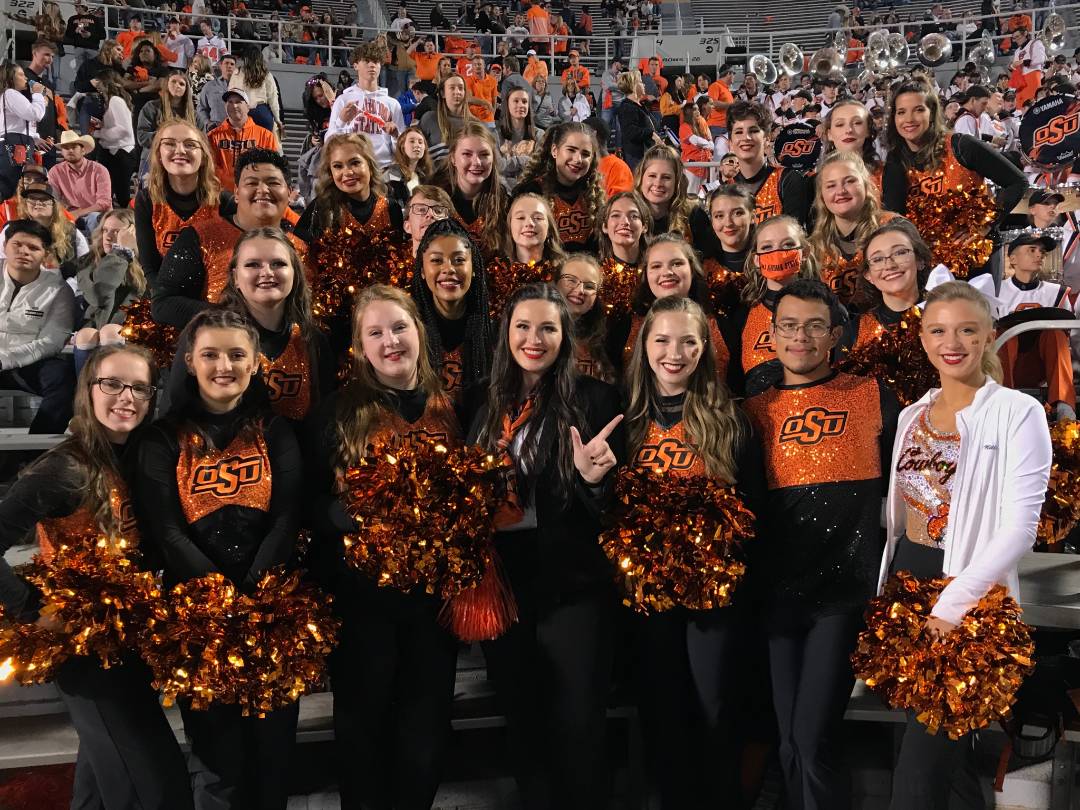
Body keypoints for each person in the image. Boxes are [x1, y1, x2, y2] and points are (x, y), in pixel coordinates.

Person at [0, 343, 195, 809]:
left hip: (125, 644)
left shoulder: (137, 457)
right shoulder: (66, 467)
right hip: (84, 654)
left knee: (101, 777)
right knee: (154, 783)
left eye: (139, 388)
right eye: (112, 384)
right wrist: (30, 609)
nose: (125, 397)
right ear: (88, 390)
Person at [882, 280, 1051, 809]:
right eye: (938, 330)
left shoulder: (1017, 412)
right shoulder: (912, 414)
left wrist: (953, 605)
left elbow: (1020, 526)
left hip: (968, 597)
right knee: (946, 760)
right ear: (923, 338)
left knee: (919, 768)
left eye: (966, 330)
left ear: (988, 337)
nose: (950, 342)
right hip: (906, 592)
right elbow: (898, 511)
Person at [135, 307, 303, 810]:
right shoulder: (162, 437)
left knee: (274, 758)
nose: (223, 365)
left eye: (236, 354)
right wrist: (222, 601)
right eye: (210, 354)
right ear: (189, 361)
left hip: (272, 614)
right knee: (217, 762)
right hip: (198, 621)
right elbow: (166, 531)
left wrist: (253, 595)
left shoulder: (276, 431)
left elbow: (287, 517)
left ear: (255, 365)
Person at [300, 284, 460, 810]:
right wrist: (357, 515)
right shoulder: (336, 414)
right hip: (362, 600)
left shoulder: (454, 404)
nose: (391, 341)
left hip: (435, 600)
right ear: (360, 346)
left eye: (400, 328)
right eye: (376, 333)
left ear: (420, 333)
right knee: (364, 728)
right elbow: (308, 505)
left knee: (426, 728)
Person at [468, 282, 624, 810]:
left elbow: (613, 508)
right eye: (523, 326)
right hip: (501, 578)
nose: (534, 339)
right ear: (505, 334)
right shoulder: (480, 401)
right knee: (523, 714)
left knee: (578, 719)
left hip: (572, 577)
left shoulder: (597, 399)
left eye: (548, 328)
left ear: (566, 336)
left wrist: (593, 480)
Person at [745, 276, 898, 810]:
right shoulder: (755, 409)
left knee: (812, 742)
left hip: (845, 595)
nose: (800, 337)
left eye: (814, 326)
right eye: (788, 325)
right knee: (787, 744)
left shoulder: (871, 394)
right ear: (774, 333)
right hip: (780, 595)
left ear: (836, 335)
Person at [622, 293, 765, 809]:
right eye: (661, 340)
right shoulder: (625, 419)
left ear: (705, 348)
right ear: (644, 347)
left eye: (687, 340)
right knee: (661, 707)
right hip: (648, 595)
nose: (674, 352)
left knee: (714, 706)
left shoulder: (732, 420)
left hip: (716, 598)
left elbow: (753, 518)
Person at [882, 81, 1028, 280]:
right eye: (901, 112)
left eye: (918, 110)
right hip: (928, 265)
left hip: (975, 259)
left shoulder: (961, 145)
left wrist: (983, 225)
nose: (909, 119)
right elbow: (896, 216)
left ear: (932, 113)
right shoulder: (895, 160)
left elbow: (1017, 182)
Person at [154, 149, 307, 328]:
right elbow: (163, 304)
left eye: (273, 183)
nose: (263, 190)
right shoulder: (200, 236)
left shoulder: (303, 244)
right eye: (251, 183)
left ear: (289, 193)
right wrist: (229, 320)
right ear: (236, 193)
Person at [216, 227, 333, 421]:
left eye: (278, 263)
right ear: (236, 277)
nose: (267, 273)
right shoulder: (209, 338)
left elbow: (325, 421)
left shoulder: (313, 340)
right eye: (253, 264)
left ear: (294, 273)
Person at [296, 133, 407, 332]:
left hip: (381, 316)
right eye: (337, 166)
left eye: (355, 163)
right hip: (334, 320)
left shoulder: (391, 208)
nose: (347, 172)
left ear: (370, 165)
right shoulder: (321, 208)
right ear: (330, 172)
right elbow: (299, 260)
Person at [607, 233, 732, 382]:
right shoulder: (624, 329)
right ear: (646, 274)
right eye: (656, 266)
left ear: (691, 269)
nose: (666, 272)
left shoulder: (723, 327)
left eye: (677, 263)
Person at [730, 215, 820, 397]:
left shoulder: (826, 309)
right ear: (756, 259)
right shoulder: (742, 315)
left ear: (805, 251)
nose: (777, 253)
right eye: (767, 247)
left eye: (787, 245)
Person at [0, 219, 76, 434]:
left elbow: (52, 342)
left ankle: (34, 455)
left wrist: (5, 359)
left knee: (63, 380)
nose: (24, 251)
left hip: (30, 362)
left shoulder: (58, 289)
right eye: (17, 245)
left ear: (45, 254)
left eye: (33, 248)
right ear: (5, 245)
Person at [408, 217, 494, 401]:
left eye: (459, 260)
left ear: (474, 268)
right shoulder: (408, 332)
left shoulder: (493, 332)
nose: (448, 269)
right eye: (437, 260)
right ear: (422, 270)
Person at [995, 231, 1077, 420]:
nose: (1039, 255)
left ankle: (1065, 406)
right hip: (1005, 366)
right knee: (1002, 333)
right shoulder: (997, 292)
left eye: (1042, 252)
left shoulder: (1057, 292)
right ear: (1013, 258)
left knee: (1055, 333)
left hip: (1043, 366)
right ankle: (1001, 403)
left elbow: (1068, 340)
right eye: (1032, 250)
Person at [133, 120, 221, 287]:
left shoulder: (223, 202)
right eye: (170, 144)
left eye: (190, 145)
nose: (180, 151)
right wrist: (165, 302)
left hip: (213, 300)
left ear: (203, 156)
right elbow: (150, 267)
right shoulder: (146, 200)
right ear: (159, 154)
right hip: (164, 296)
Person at [809, 151, 896, 308]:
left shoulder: (893, 227)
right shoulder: (814, 247)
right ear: (821, 195)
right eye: (831, 185)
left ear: (866, 185)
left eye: (849, 181)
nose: (841, 191)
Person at [513, 121, 605, 252]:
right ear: (555, 151)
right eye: (571, 150)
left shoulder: (593, 193)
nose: (578, 159)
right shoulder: (530, 192)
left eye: (585, 154)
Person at [72, 208, 144, 373]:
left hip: (134, 330)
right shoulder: (87, 262)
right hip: (97, 328)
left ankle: (114, 391)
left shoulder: (146, 263)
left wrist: (123, 253)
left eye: (117, 231)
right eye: (105, 230)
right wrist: (120, 254)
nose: (109, 236)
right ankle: (87, 395)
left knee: (111, 332)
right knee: (87, 335)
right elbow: (100, 296)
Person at [728, 101, 812, 228]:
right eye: (739, 132)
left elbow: (793, 238)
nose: (746, 137)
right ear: (730, 143)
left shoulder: (788, 180)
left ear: (767, 139)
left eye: (754, 131)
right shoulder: (726, 188)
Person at [327, 41, 405, 169]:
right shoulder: (343, 100)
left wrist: (396, 136)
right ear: (356, 65)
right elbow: (329, 144)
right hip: (352, 167)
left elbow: (401, 149)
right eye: (367, 61)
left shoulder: (392, 103)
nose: (372, 65)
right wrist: (341, 122)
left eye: (376, 61)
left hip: (383, 169)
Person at [488, 193, 567, 316]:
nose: (529, 223)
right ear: (510, 227)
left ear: (550, 229)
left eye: (538, 218)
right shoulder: (494, 275)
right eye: (520, 218)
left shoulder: (564, 272)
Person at [435, 123, 507, 252]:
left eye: (484, 154)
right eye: (467, 154)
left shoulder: (504, 203)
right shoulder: (433, 200)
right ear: (453, 159)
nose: (477, 162)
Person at [0, 180, 89, 279]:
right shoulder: (11, 230)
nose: (38, 203)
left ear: (54, 205)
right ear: (26, 204)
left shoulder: (72, 232)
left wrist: (69, 286)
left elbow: (85, 269)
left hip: (61, 288)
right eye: (32, 198)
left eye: (44, 199)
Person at [206, 88, 280, 194]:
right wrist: (226, 183)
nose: (234, 106)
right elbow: (209, 167)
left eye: (238, 102)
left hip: (254, 193)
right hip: (222, 194)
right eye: (230, 102)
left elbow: (272, 167)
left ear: (248, 107)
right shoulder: (212, 136)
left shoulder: (265, 136)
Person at [553, 254, 612, 381]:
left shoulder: (604, 342)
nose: (580, 290)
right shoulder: (535, 332)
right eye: (570, 280)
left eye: (589, 286)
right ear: (555, 285)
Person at [699, 184, 755, 313]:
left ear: (752, 216)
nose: (728, 223)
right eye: (719, 216)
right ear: (712, 221)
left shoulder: (766, 262)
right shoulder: (701, 268)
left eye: (737, 213)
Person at [90, 68, 138, 208]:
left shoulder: (116, 101)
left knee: (121, 195)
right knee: (112, 193)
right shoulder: (113, 101)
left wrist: (99, 133)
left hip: (120, 153)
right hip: (114, 152)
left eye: (100, 83)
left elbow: (123, 130)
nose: (97, 86)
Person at [47, 130, 110, 233]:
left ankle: (95, 247)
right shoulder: (55, 171)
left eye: (74, 147)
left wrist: (79, 213)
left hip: (97, 214)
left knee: (94, 218)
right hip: (70, 215)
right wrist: (67, 214)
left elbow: (104, 202)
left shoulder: (99, 170)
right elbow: (54, 200)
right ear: (62, 152)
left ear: (83, 150)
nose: (70, 150)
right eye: (66, 148)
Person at [135, 69, 195, 169]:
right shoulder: (151, 107)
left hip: (181, 163)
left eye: (181, 84)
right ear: (166, 84)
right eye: (173, 82)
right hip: (153, 161)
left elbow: (202, 140)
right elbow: (142, 136)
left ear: (186, 89)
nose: (177, 86)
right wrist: (169, 138)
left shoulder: (194, 115)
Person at [0, 62, 47, 181]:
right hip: (15, 144)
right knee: (15, 185)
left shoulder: (7, 95)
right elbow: (35, 114)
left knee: (17, 185)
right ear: (11, 77)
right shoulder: (10, 93)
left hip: (15, 142)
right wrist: (37, 94)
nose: (26, 78)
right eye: (21, 75)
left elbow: (14, 123)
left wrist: (34, 137)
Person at [634, 145, 693, 237]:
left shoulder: (693, 216)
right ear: (640, 179)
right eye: (652, 176)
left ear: (677, 181)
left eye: (666, 177)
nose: (658, 184)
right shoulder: (627, 216)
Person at [419, 73, 474, 166]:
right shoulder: (429, 119)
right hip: (435, 179)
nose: (457, 92)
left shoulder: (474, 123)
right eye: (452, 88)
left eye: (461, 88)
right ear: (442, 93)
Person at [821, 98, 882, 178]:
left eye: (857, 123)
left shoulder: (888, 173)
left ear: (868, 130)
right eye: (840, 124)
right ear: (829, 134)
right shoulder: (815, 181)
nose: (849, 130)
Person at [497, 87, 544, 187]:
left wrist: (509, 164)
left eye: (524, 101)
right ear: (507, 105)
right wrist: (524, 160)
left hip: (530, 189)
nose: (521, 105)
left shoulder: (539, 135)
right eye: (516, 101)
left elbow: (539, 165)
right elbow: (498, 166)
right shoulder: (496, 135)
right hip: (503, 189)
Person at [616, 69, 661, 170]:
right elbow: (631, 131)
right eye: (640, 82)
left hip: (646, 155)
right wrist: (651, 134)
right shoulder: (627, 107)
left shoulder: (640, 106)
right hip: (637, 157)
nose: (644, 84)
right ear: (633, 86)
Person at [229, 47, 281, 135]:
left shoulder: (237, 72)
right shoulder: (266, 74)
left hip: (243, 112)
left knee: (245, 146)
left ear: (245, 58)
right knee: (265, 146)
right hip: (262, 112)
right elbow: (273, 99)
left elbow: (230, 94)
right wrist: (277, 119)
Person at [385, 124, 433, 210]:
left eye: (420, 142)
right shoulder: (391, 174)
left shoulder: (425, 177)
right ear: (402, 147)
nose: (417, 145)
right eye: (412, 141)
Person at [403, 184, 454, 257]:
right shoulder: (388, 266)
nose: (430, 214)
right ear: (407, 226)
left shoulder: (463, 266)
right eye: (421, 209)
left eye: (438, 211)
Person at [195, 51, 235, 131]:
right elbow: (201, 108)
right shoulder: (209, 86)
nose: (229, 66)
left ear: (235, 68)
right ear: (220, 66)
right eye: (226, 63)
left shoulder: (241, 87)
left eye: (232, 64)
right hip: (215, 130)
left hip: (236, 130)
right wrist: (208, 123)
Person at [679, 100, 714, 194]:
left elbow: (711, 141)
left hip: (704, 166)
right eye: (694, 109)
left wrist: (710, 144)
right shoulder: (684, 126)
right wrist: (709, 145)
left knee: (702, 195)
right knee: (691, 195)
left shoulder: (701, 124)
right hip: (692, 167)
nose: (698, 111)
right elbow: (695, 140)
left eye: (698, 109)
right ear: (688, 112)